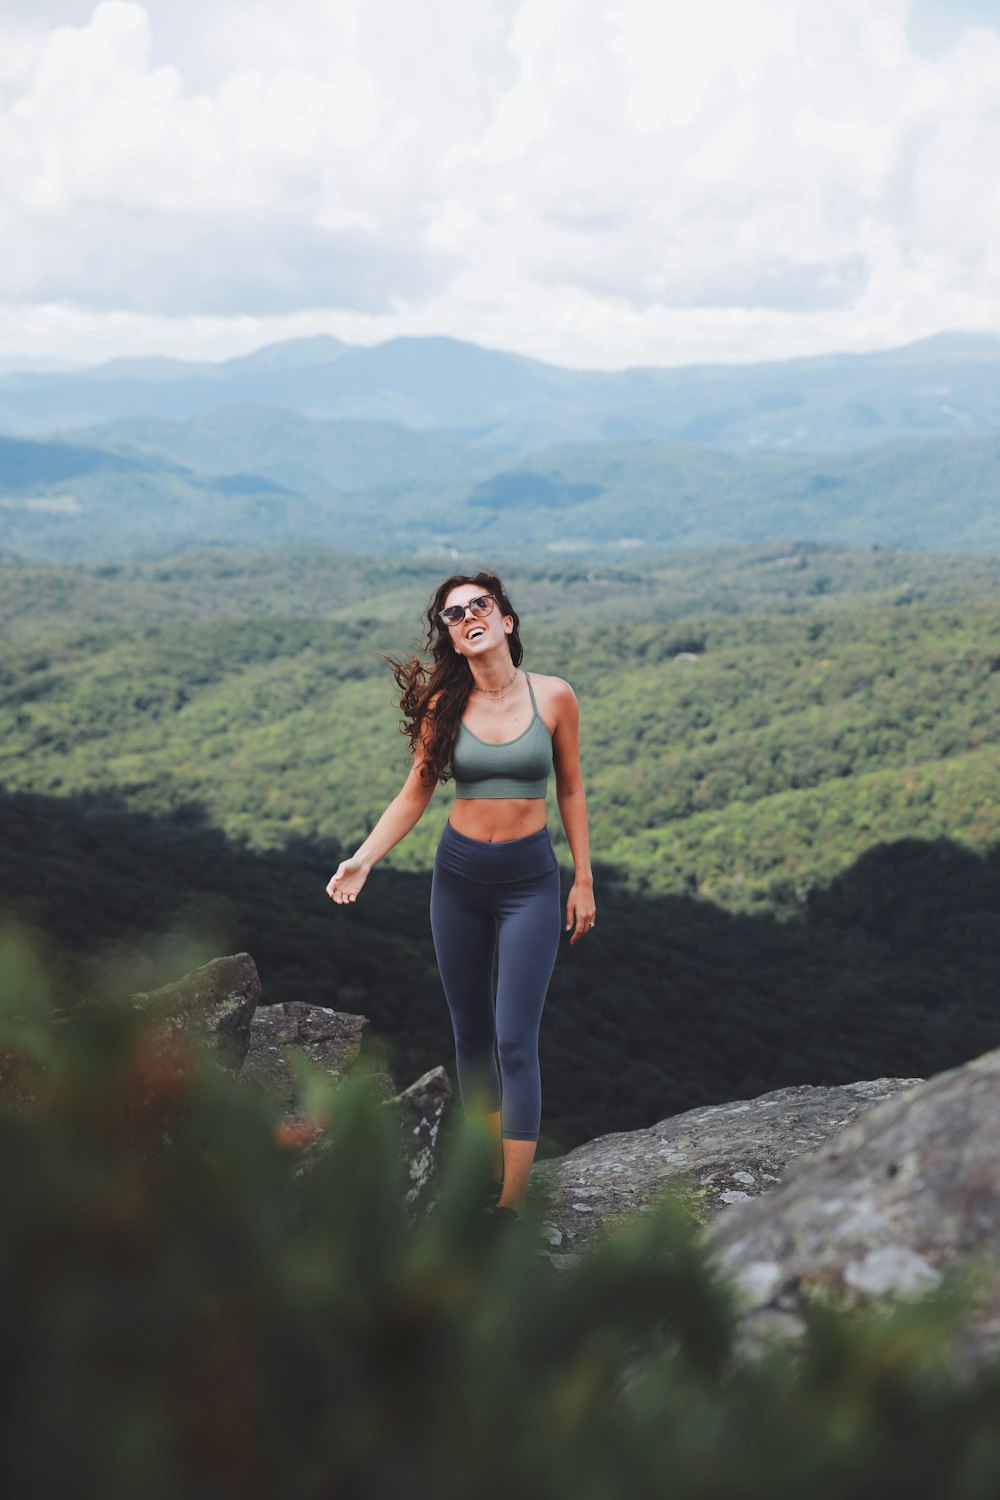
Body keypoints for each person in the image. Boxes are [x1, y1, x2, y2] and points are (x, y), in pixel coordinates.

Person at [325, 569, 595, 1220]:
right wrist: (363, 860)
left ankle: (512, 1200)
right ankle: (481, 1175)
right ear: (450, 635)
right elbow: (415, 792)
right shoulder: (444, 708)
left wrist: (583, 878)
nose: (468, 616)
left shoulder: (554, 697)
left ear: (507, 620)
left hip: (531, 882)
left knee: (513, 1040)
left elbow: (571, 788)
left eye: (480, 605)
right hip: (459, 879)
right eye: (453, 614)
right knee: (470, 1034)